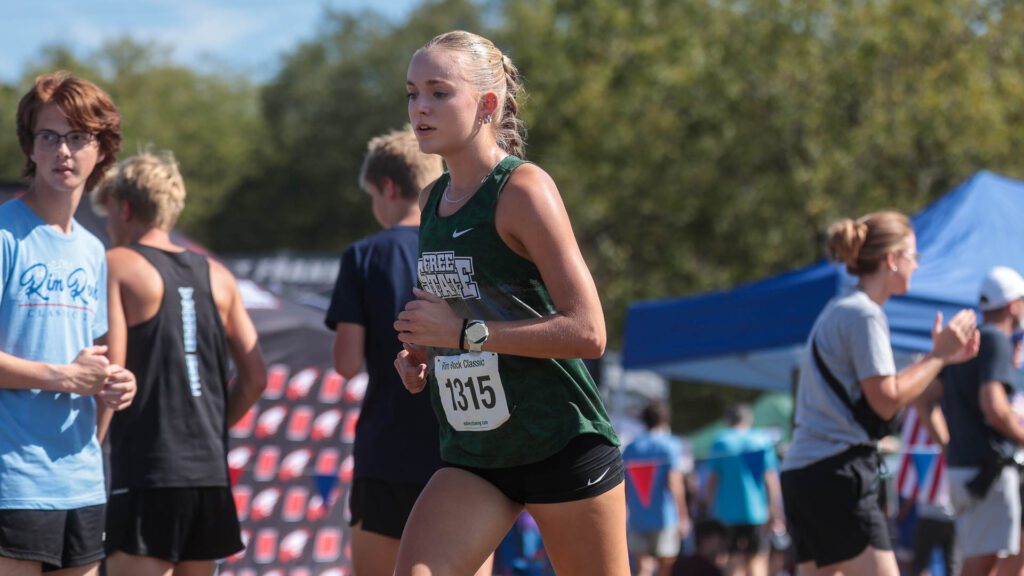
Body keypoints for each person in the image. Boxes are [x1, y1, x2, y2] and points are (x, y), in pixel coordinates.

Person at [393, 30, 628, 575]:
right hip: (476, 455)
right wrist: (424, 353)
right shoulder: (431, 202)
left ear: (487, 105)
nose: (420, 108)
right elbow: (458, 312)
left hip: (560, 443)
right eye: (411, 94)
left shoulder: (522, 190)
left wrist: (462, 335)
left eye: (438, 92)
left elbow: (588, 331)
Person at [326, 128, 493, 576]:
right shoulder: (462, 245)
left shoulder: (363, 256)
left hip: (387, 451)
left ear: (388, 187)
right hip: (465, 444)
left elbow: (344, 365)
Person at [91, 151, 267, 576]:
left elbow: (109, 375)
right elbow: (256, 377)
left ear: (125, 207)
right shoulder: (218, 274)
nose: (109, 226)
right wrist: (211, 430)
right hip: (208, 474)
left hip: (148, 472)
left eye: (109, 213)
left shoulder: (118, 264)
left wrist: (86, 453)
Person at [779, 211, 979, 576]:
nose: (916, 266)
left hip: (805, 472)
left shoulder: (841, 309)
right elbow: (886, 401)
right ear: (892, 260)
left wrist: (940, 360)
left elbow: (884, 391)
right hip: (837, 472)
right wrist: (939, 354)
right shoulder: (865, 316)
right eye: (913, 256)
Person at [0, 71, 136, 576]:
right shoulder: (5, 233)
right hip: (12, 479)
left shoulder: (94, 249)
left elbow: (93, 361)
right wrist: (62, 376)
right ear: (30, 147)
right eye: (49, 136)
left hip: (80, 479)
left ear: (101, 150)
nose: (63, 150)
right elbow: (68, 370)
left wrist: (116, 384)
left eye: (78, 137)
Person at [915, 265, 1024, 576]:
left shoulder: (970, 343)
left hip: (965, 470)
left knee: (997, 559)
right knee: (983, 563)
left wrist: (949, 446)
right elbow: (994, 405)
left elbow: (925, 400)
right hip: (987, 472)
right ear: (1013, 305)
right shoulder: (996, 340)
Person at [705, 403, 783, 576]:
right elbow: (771, 479)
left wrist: (708, 507)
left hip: (727, 513)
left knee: (733, 560)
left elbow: (712, 480)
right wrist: (775, 510)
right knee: (758, 559)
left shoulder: (721, 441)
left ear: (727, 420)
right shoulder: (762, 440)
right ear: (749, 419)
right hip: (758, 512)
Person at [622, 400, 690, 576]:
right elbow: (675, 483)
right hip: (665, 517)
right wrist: (683, 516)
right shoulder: (670, 444)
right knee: (665, 567)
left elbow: (625, 485)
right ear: (665, 419)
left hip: (637, 517)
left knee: (643, 567)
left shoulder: (631, 447)